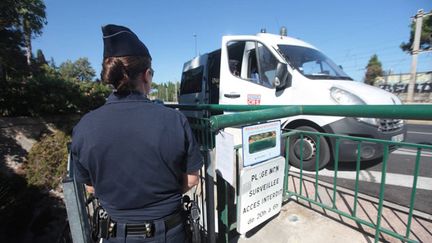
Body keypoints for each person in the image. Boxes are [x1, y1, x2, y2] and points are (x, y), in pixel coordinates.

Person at [71, 24, 203, 242]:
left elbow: (90, 188)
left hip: (116, 235)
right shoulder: (174, 120)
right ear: (146, 75)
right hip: (170, 233)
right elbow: (191, 179)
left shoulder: (84, 127)